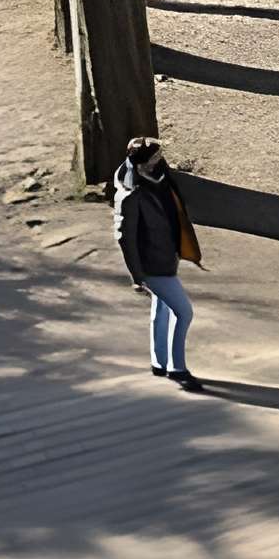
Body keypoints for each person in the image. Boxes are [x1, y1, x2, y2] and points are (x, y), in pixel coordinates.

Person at [113, 135, 206, 388]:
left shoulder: (160, 178)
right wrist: (137, 276)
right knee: (184, 312)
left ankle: (159, 362)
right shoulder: (130, 195)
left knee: (161, 310)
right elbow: (125, 239)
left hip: (166, 258)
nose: (160, 158)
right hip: (153, 266)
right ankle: (178, 369)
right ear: (143, 163)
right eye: (155, 156)